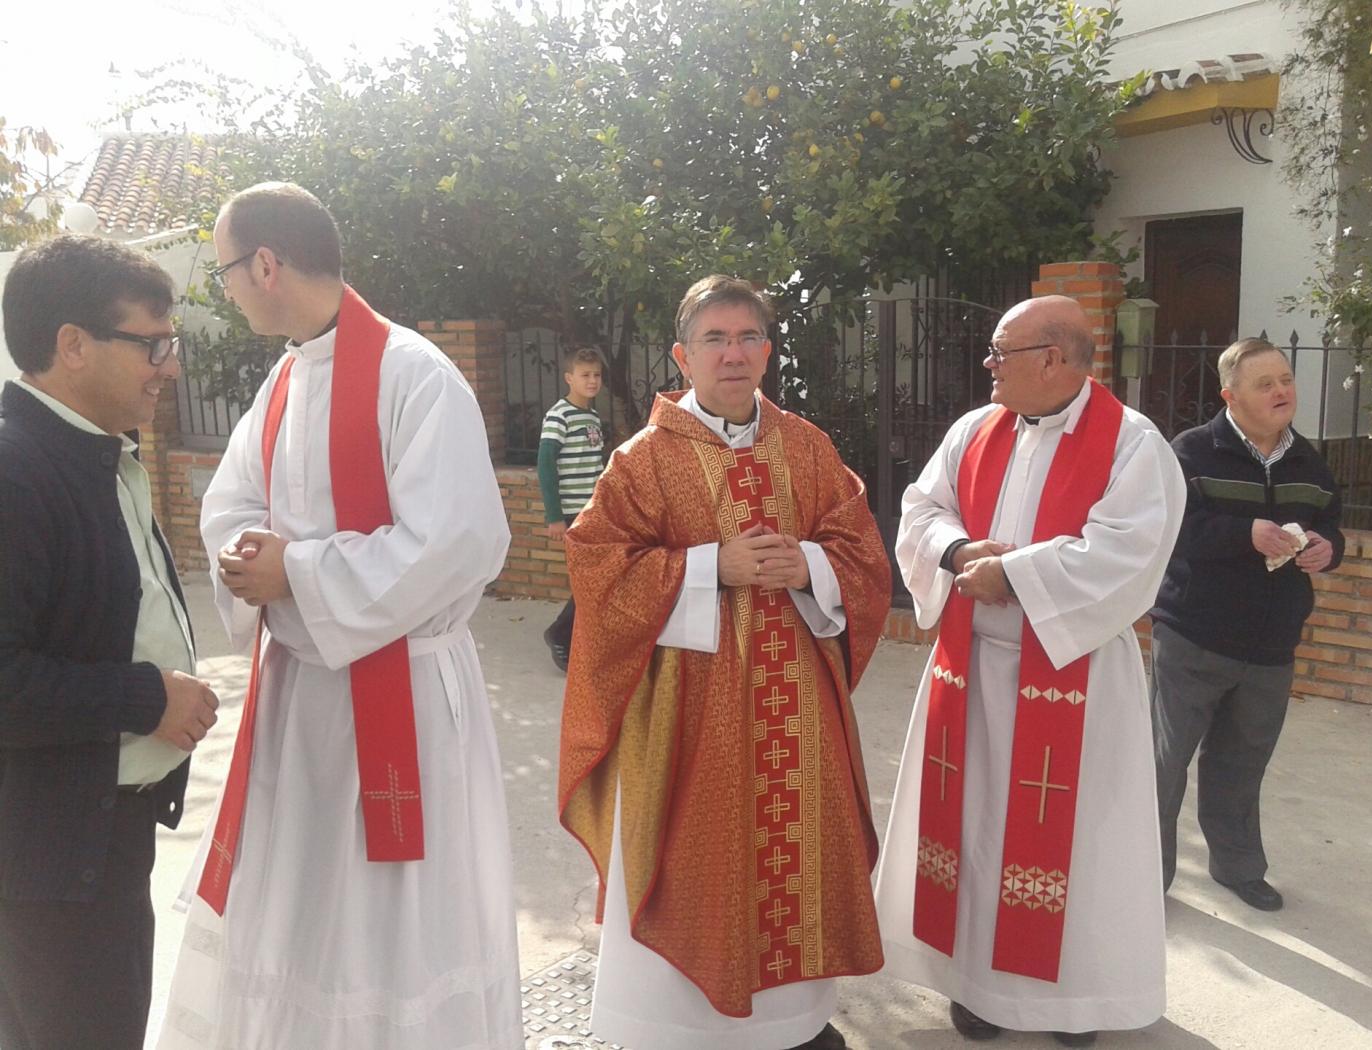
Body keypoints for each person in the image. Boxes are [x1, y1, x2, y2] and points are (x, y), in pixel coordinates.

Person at [157, 183, 523, 1049]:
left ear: (268, 265)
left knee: (397, 912)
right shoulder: (283, 379)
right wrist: (253, 559)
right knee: (307, 894)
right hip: (301, 697)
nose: (228, 290)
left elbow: (460, 540)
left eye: (227, 273)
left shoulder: (414, 374)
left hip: (406, 700)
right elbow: (231, 501)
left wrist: (302, 572)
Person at [558, 275, 891, 1050]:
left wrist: (809, 565)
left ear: (768, 353)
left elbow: (862, 555)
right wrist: (711, 568)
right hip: (688, 711)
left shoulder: (807, 446)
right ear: (682, 355)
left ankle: (795, 1024)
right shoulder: (643, 459)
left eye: (747, 338)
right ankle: (679, 1028)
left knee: (793, 852)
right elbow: (598, 568)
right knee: (695, 856)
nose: (733, 353)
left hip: (797, 705)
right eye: (715, 339)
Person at [873, 295, 1186, 1046]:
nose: (987, 366)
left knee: (1080, 844)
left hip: (1075, 678)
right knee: (977, 832)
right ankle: (976, 987)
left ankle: (1077, 1002)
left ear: (1052, 358)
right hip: (973, 673)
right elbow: (921, 510)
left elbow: (1130, 552)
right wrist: (953, 555)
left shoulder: (1133, 445)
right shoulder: (974, 430)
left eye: (998, 352)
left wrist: (1014, 575)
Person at [0, 234, 219, 1050]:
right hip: (50, 862)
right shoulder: (18, 471)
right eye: (151, 344)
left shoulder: (94, 453)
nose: (168, 365)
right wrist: (147, 697)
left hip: (94, 841)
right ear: (72, 345)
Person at [1150, 338, 1343, 913]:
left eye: (1285, 379)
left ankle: (1237, 866)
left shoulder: (1310, 460)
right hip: (1193, 636)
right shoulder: (1190, 451)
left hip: (1271, 645)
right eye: (1266, 384)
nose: (1282, 391)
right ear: (1230, 396)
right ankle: (1147, 877)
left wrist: (1327, 548)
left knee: (1242, 762)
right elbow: (1165, 530)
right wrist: (1244, 535)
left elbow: (1332, 522)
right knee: (1164, 763)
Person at [538, 346, 606, 670]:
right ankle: (560, 635)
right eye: (585, 375)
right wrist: (554, 517)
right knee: (589, 579)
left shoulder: (592, 417)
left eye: (596, 375)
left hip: (593, 511)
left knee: (596, 577)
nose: (592, 381)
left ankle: (575, 636)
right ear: (569, 378)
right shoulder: (558, 416)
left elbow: (595, 466)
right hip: (570, 514)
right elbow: (546, 466)